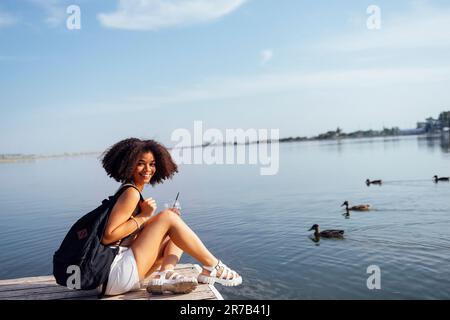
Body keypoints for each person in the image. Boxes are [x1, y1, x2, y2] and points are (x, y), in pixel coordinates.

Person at [100, 138, 242, 296]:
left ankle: (166, 273)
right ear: (127, 164)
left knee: (175, 228)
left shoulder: (131, 191)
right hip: (114, 276)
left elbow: (125, 238)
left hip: (117, 277)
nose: (148, 169)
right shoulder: (130, 193)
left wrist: (157, 224)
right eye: (141, 163)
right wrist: (145, 217)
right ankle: (214, 266)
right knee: (167, 217)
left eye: (152, 164)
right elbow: (108, 236)